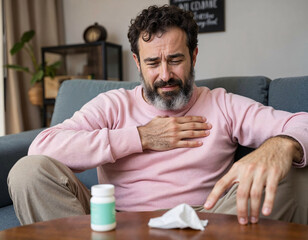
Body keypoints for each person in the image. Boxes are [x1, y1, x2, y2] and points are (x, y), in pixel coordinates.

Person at [8, 5, 308, 226]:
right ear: (137, 63)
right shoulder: (112, 105)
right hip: (116, 224)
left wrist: (279, 145)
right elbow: (42, 146)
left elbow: (301, 123)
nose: (165, 75)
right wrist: (141, 137)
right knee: (28, 171)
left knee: (293, 168)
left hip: (205, 223)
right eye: (153, 63)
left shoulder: (223, 104)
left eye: (175, 59)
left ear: (193, 56)